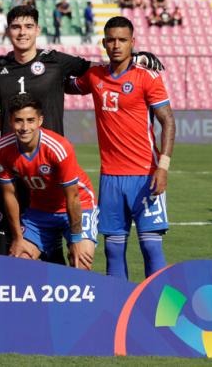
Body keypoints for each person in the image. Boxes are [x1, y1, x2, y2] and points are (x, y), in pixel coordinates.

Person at [0, 4, 163, 259]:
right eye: (16, 27)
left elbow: (101, 68)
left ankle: (60, 294)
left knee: (64, 254)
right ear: (8, 31)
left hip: (51, 171)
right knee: (11, 251)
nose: (22, 32)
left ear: (37, 29)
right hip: (14, 166)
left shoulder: (56, 61)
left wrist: (134, 59)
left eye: (28, 26)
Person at [70, 16, 175, 279]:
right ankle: (119, 309)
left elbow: (168, 122)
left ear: (133, 43)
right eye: (111, 40)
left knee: (151, 246)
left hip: (146, 174)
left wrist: (163, 167)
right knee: (114, 250)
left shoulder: (147, 78)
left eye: (123, 40)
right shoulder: (94, 76)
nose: (117, 45)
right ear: (104, 43)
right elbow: (64, 84)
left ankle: (157, 309)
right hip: (111, 178)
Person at [0, 94, 97, 269]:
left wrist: (77, 240)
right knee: (19, 260)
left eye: (30, 120)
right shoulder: (2, 148)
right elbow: (9, 195)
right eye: (18, 121)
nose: (25, 127)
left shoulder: (58, 147)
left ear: (40, 121)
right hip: (39, 210)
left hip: (78, 205)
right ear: (10, 121)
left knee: (81, 262)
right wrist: (18, 238)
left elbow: (72, 198)